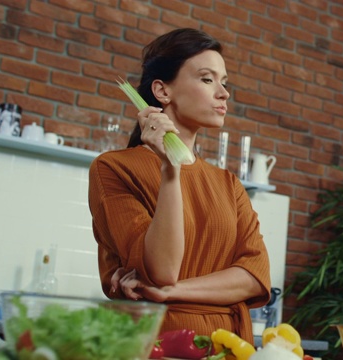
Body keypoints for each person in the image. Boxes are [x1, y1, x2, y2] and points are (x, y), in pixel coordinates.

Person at [88, 28, 271, 344]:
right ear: (162, 91)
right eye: (207, 78)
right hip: (156, 342)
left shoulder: (229, 184)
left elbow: (255, 277)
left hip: (230, 347)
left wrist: (171, 292)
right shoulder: (114, 168)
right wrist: (169, 169)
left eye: (224, 82)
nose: (224, 93)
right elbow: (162, 270)